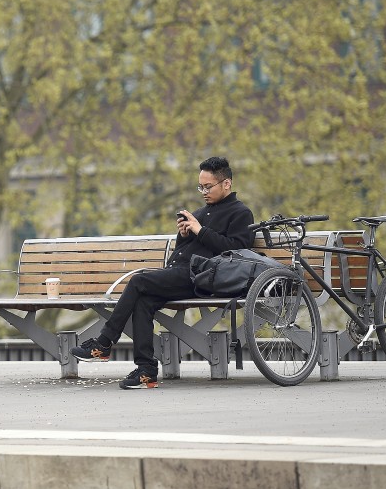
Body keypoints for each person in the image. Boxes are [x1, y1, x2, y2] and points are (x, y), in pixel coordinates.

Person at [70, 156, 255, 389]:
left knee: (138, 281)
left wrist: (199, 230)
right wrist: (185, 235)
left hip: (205, 278)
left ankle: (104, 342)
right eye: (201, 187)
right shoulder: (201, 212)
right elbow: (184, 251)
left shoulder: (241, 213)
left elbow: (238, 251)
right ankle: (146, 370)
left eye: (208, 187)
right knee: (143, 301)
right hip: (181, 273)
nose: (203, 192)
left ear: (226, 184)